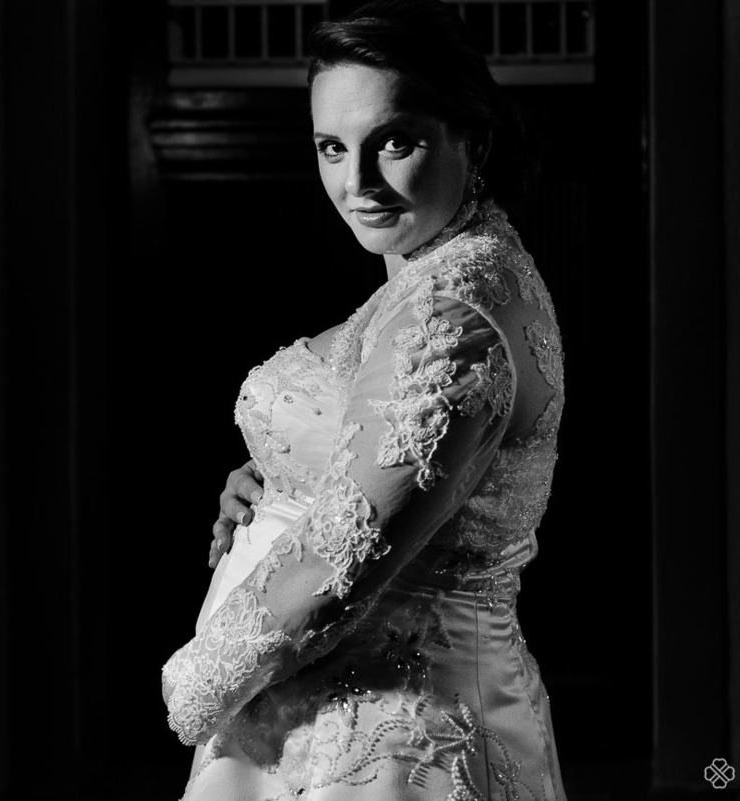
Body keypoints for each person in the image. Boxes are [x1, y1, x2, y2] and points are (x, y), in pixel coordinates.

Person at [162, 1, 567, 798]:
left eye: (395, 141)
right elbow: (380, 455)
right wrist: (279, 477)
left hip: (388, 737)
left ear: (472, 139)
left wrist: (192, 682)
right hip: (333, 708)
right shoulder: (440, 269)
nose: (357, 183)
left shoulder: (457, 305)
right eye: (331, 148)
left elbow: (343, 556)